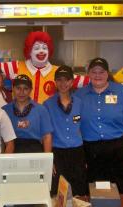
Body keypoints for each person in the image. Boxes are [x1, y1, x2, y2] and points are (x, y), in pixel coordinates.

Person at [0, 31, 123, 104]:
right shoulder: (16, 67)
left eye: (44, 47)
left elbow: (89, 80)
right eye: (36, 47)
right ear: (29, 50)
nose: (41, 51)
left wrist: (112, 78)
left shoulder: (58, 72)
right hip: (20, 123)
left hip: (48, 125)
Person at [75, 57, 123, 194]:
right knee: (95, 189)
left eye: (101, 72)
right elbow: (74, 121)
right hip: (91, 151)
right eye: (94, 72)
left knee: (120, 187)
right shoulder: (79, 95)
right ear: (88, 74)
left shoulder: (121, 92)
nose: (97, 75)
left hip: (119, 148)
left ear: (107, 74)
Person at [43, 65, 87, 196]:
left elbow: (84, 130)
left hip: (77, 153)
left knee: (78, 191)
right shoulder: (47, 104)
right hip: (57, 154)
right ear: (55, 82)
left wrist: (86, 158)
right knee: (58, 192)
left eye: (67, 80)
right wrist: (48, 159)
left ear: (72, 82)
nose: (63, 83)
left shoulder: (80, 103)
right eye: (60, 80)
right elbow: (46, 134)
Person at [2, 75, 52, 153]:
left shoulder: (41, 110)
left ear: (30, 90)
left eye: (25, 88)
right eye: (18, 88)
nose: (22, 92)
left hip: (35, 151)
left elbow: (47, 136)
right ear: (13, 89)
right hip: (12, 150)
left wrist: (48, 159)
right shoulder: (5, 110)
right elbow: (1, 138)